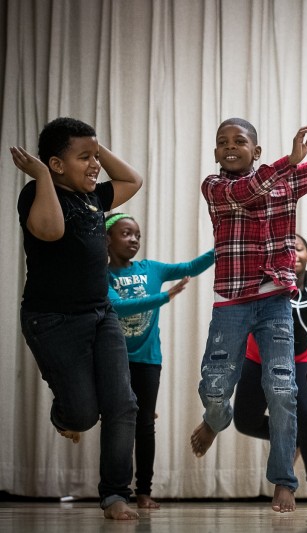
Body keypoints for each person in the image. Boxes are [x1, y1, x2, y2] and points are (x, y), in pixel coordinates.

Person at [190, 118, 307, 513]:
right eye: (223, 142)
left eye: (239, 141)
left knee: (283, 392)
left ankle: (284, 480)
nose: (230, 146)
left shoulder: (285, 181)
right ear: (216, 155)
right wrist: (288, 161)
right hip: (231, 302)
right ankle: (215, 419)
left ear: (255, 150)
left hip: (275, 303)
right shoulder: (216, 187)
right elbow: (247, 191)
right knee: (214, 387)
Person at [13, 117, 143, 520]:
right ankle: (64, 414)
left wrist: (94, 150)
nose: (95, 165)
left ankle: (116, 494)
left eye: (97, 156)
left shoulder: (96, 197)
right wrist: (40, 175)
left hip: (100, 314)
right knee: (84, 415)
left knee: (123, 404)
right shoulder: (36, 192)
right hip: (51, 321)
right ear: (54, 164)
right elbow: (50, 232)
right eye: (84, 157)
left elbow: (133, 180)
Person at [106, 213, 215, 509]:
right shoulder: (101, 276)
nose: (133, 240)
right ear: (107, 239)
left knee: (144, 425)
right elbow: (117, 307)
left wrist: (223, 246)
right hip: (114, 359)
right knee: (118, 425)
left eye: (137, 235)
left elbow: (190, 267)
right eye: (126, 234)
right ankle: (117, 492)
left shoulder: (150, 268)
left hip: (148, 360)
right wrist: (164, 298)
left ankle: (143, 491)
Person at [232, 233, 307, 506]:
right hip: (258, 359)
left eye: (299, 249)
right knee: (244, 421)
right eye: (287, 250)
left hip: (299, 360)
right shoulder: (269, 281)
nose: (294, 255)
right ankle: (294, 438)